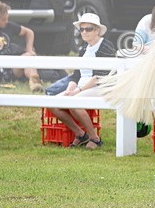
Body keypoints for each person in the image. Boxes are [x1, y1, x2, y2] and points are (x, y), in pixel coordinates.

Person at [47, 13, 117, 149]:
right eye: (82, 29)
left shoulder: (106, 46)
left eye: (88, 29)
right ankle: (80, 134)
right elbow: (76, 76)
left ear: (97, 30)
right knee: (52, 104)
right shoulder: (83, 49)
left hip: (100, 87)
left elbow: (100, 77)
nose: (84, 32)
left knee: (74, 102)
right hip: (82, 87)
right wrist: (70, 90)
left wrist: (78, 91)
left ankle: (95, 138)